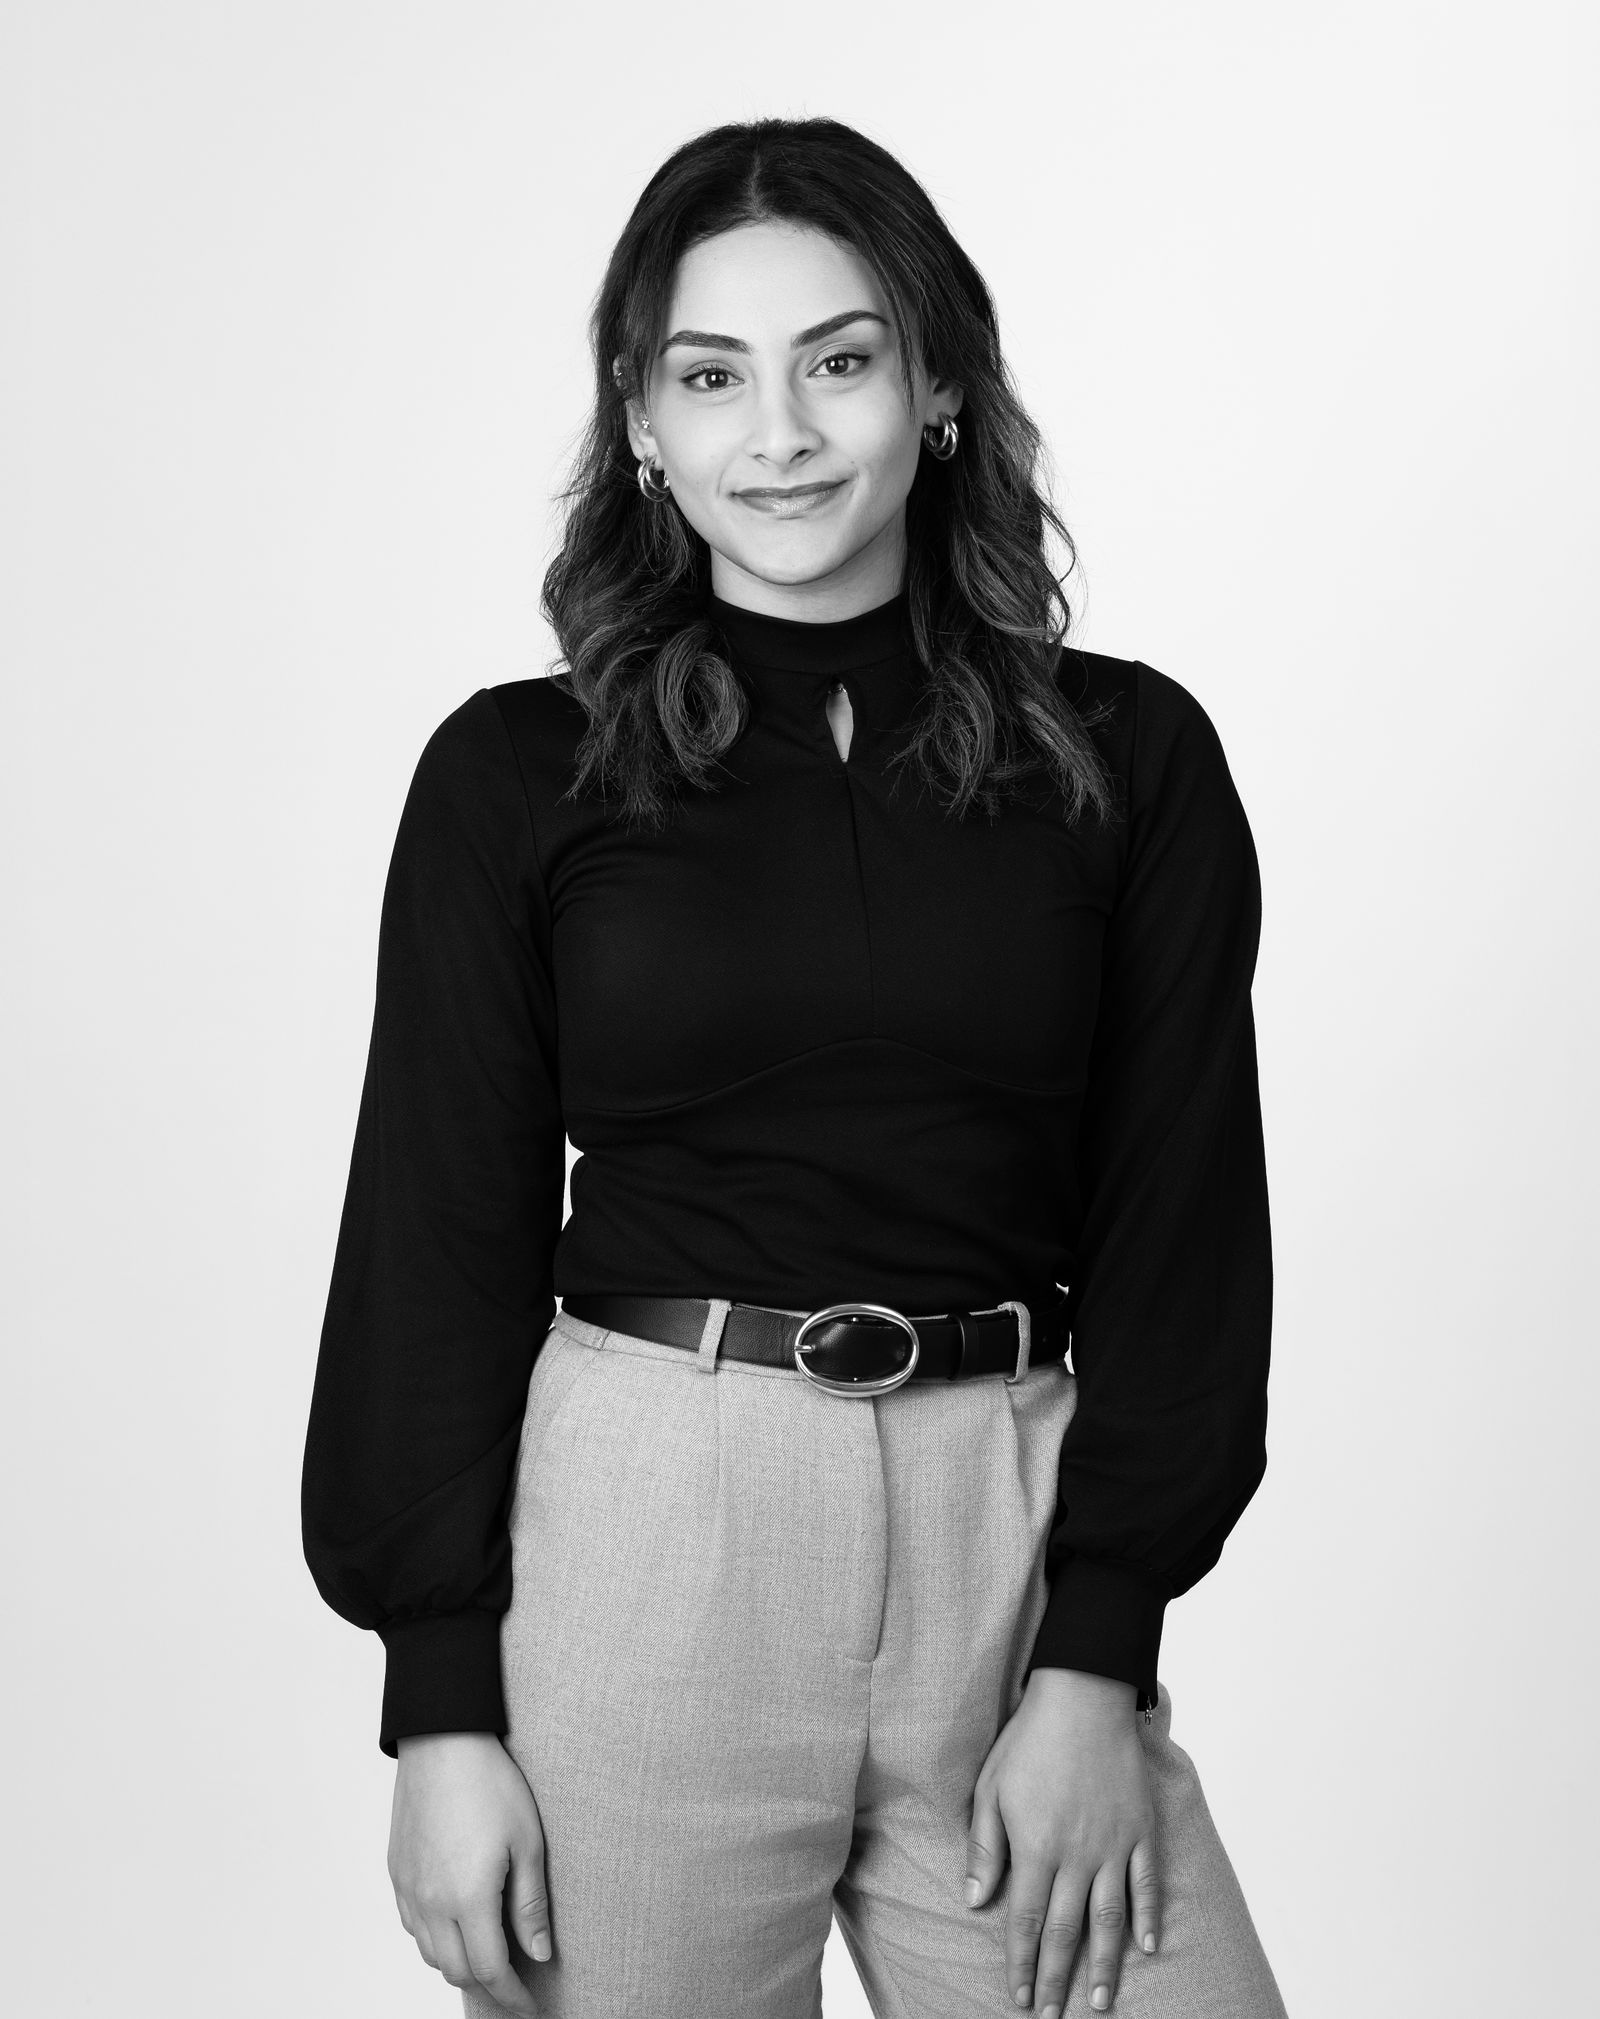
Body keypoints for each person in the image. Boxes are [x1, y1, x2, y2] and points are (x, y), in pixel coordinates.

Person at [301, 115, 1290, 2019]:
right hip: (645, 1541)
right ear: (641, 423)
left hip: (1013, 1536)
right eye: (710, 377)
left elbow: (1183, 1225)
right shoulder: (517, 775)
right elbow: (435, 1236)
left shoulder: (1129, 758)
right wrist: (440, 1710)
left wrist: (1098, 1660)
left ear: (938, 387)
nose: (780, 434)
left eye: (839, 360)